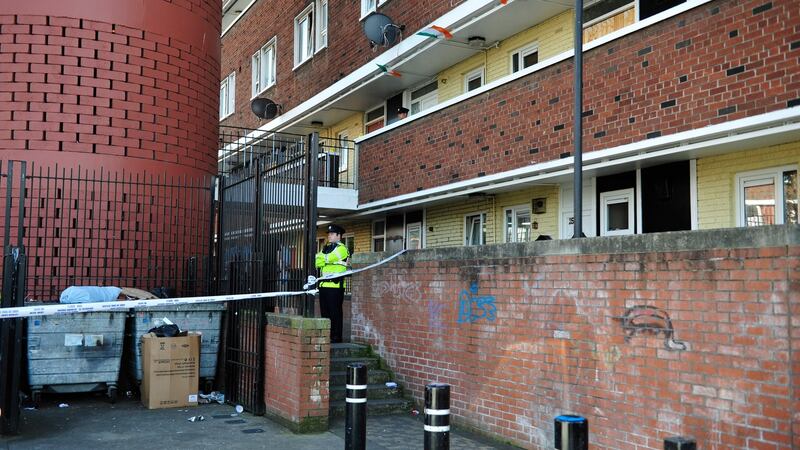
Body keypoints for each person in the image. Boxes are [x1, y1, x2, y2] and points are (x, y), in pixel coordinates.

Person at [315, 224, 350, 343]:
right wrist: (324, 258)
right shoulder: (325, 248)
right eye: (328, 234)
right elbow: (317, 261)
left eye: (332, 234)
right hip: (324, 285)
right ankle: (327, 336)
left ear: (339, 236)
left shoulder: (342, 248)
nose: (329, 236)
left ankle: (336, 337)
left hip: (335, 286)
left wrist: (324, 259)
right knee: (325, 313)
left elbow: (327, 259)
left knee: (335, 313)